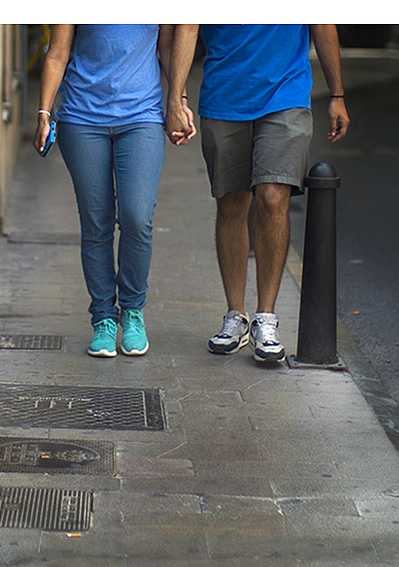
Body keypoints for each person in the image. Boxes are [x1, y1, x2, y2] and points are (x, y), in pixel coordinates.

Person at [165, 25, 350, 362]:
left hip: (286, 95)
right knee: (232, 203)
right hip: (224, 96)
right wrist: (177, 98)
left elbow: (322, 22)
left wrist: (337, 95)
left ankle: (266, 317)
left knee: (273, 196)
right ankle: (235, 315)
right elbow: (188, 26)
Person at [34, 25, 184, 357]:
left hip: (142, 117)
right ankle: (103, 318)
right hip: (82, 118)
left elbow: (167, 50)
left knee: (137, 216)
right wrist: (44, 113)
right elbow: (58, 53)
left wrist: (178, 100)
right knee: (96, 223)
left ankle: (132, 311)